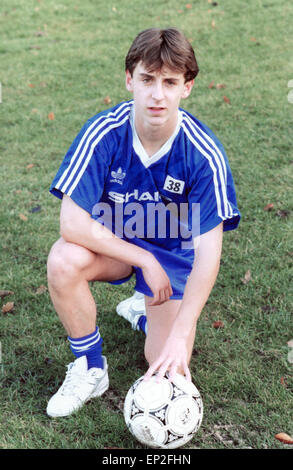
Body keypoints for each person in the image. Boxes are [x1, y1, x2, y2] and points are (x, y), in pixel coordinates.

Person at [46, 27, 241, 418]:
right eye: (147, 79)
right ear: (129, 78)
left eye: (170, 82)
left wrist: (181, 333)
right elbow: (72, 222)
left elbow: (208, 255)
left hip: (172, 259)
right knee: (63, 259)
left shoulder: (203, 154)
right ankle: (89, 367)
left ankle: (144, 313)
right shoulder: (104, 132)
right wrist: (142, 259)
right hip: (117, 248)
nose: (157, 94)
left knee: (167, 370)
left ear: (187, 86)